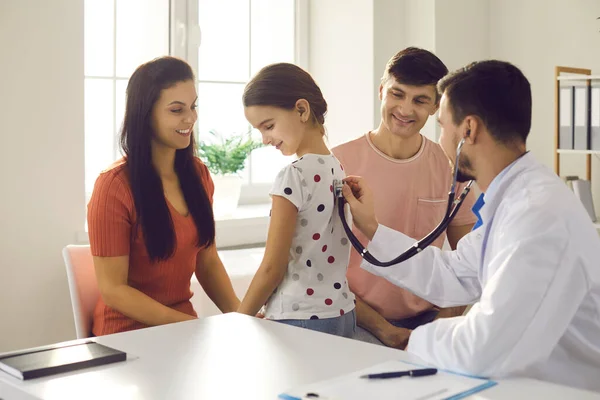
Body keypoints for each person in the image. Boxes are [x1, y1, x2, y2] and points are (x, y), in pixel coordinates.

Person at [341, 60, 600, 391]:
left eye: (442, 125)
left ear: (469, 131)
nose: (440, 138)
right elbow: (453, 272)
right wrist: (373, 231)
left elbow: (486, 350)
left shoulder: (539, 215)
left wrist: (416, 339)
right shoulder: (514, 200)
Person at [331, 47, 476, 347]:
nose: (406, 109)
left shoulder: (450, 166)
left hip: (432, 321)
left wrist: (439, 326)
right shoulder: (337, 162)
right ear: (381, 90)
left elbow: (469, 264)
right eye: (397, 94)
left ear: (436, 106)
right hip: (358, 320)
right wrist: (385, 330)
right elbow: (320, 268)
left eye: (420, 100)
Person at [88, 56, 240, 336]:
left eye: (193, 107)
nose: (190, 118)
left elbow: (207, 262)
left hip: (183, 332)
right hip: (127, 336)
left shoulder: (199, 175)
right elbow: (113, 291)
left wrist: (243, 317)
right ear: (145, 115)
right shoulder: (113, 186)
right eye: (176, 110)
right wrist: (192, 327)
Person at [237, 63, 356, 338]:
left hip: (298, 316)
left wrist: (238, 320)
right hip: (342, 312)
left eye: (268, 126)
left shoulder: (293, 176)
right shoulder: (337, 167)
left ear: (301, 110)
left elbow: (272, 267)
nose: (265, 139)